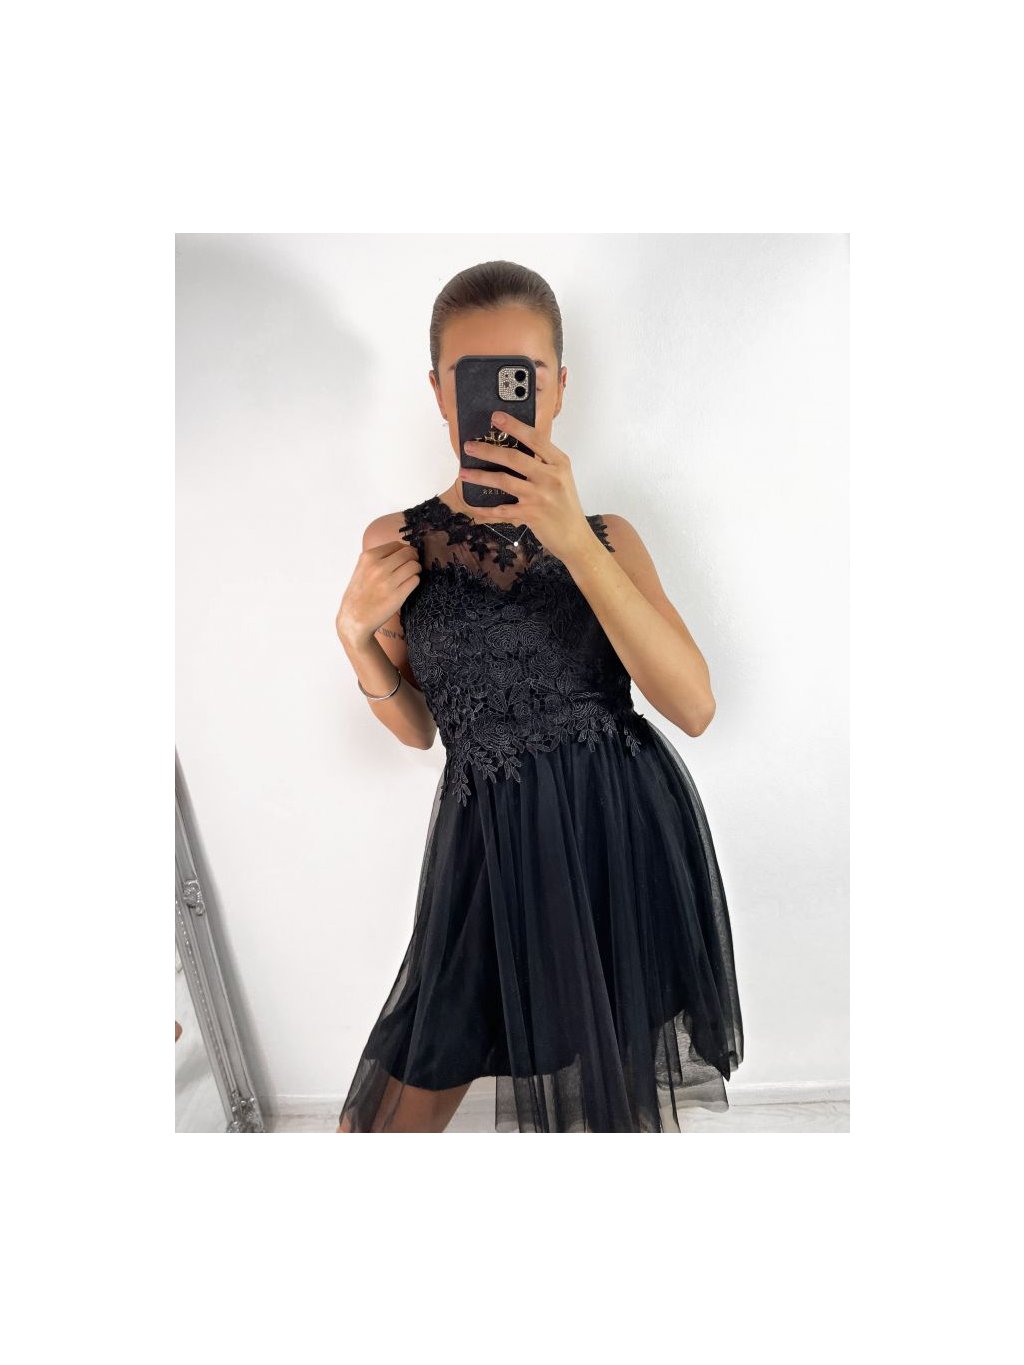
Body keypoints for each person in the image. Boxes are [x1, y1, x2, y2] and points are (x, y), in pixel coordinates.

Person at [334, 260, 743, 1132]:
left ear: (556, 386)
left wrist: (574, 543)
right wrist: (356, 638)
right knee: (380, 1122)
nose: (497, 401)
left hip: (614, 837)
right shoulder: (397, 542)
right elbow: (419, 730)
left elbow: (694, 705)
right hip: (485, 856)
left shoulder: (608, 535)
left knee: (607, 1108)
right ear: (440, 392)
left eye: (520, 376)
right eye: (471, 376)